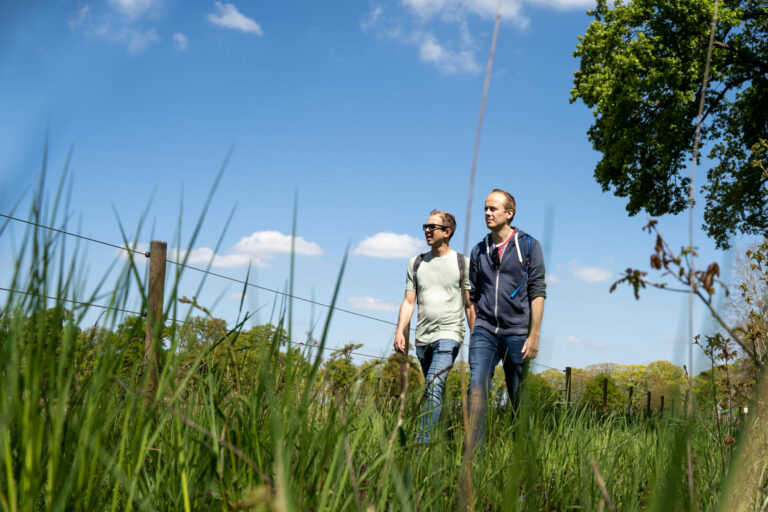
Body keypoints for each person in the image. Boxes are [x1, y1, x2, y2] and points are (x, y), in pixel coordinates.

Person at [467, 189, 546, 444]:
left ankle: (524, 461)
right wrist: (476, 329)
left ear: (509, 213)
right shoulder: (479, 250)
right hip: (485, 330)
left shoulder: (528, 246)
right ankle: (473, 460)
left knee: (519, 398)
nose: (487, 213)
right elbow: (473, 295)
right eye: (485, 209)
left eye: (493, 209)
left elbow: (537, 291)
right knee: (476, 390)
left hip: (517, 332)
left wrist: (534, 333)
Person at [394, 209, 475, 442]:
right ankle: (447, 443)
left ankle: (422, 443)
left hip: (450, 334)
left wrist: (476, 339)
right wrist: (400, 330)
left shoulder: (462, 263)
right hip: (423, 339)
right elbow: (409, 302)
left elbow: (470, 306)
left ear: (447, 232)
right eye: (426, 227)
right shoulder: (416, 262)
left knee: (433, 385)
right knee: (435, 391)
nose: (427, 231)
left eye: (433, 227)